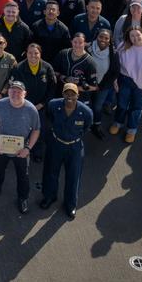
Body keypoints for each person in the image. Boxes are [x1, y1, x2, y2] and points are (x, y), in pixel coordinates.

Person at [0, 80, 40, 214]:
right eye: (12, 90)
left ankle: (23, 198)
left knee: (23, 176)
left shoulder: (31, 109)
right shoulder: (0, 104)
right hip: (2, 147)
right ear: (8, 92)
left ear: (24, 94)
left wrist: (28, 148)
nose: (15, 93)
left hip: (21, 150)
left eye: (19, 91)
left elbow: (36, 130)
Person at [39, 82, 93, 219]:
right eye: (67, 93)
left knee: (73, 177)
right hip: (56, 144)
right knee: (51, 172)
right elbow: (49, 118)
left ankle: (70, 205)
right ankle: (49, 197)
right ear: (62, 94)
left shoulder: (86, 112)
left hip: (74, 147)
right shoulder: (53, 105)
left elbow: (86, 127)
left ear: (78, 95)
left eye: (73, 94)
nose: (70, 96)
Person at [111, 27, 142, 143]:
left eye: (138, 35)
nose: (135, 38)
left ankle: (131, 130)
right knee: (122, 105)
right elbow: (116, 65)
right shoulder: (123, 46)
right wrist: (115, 80)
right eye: (132, 36)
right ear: (128, 37)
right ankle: (118, 123)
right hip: (124, 80)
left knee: (136, 108)